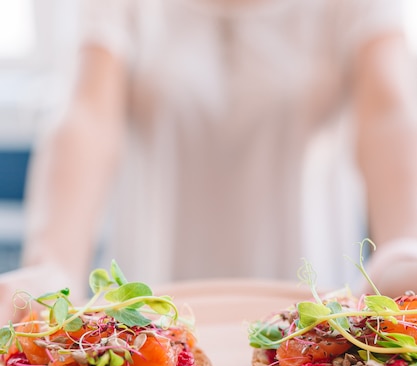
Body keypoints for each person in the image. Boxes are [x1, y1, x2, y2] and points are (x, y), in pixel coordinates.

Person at [1, 0, 417, 321]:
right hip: (150, 314)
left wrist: (403, 245)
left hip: (316, 309)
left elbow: (391, 113)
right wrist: (52, 266)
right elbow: (86, 117)